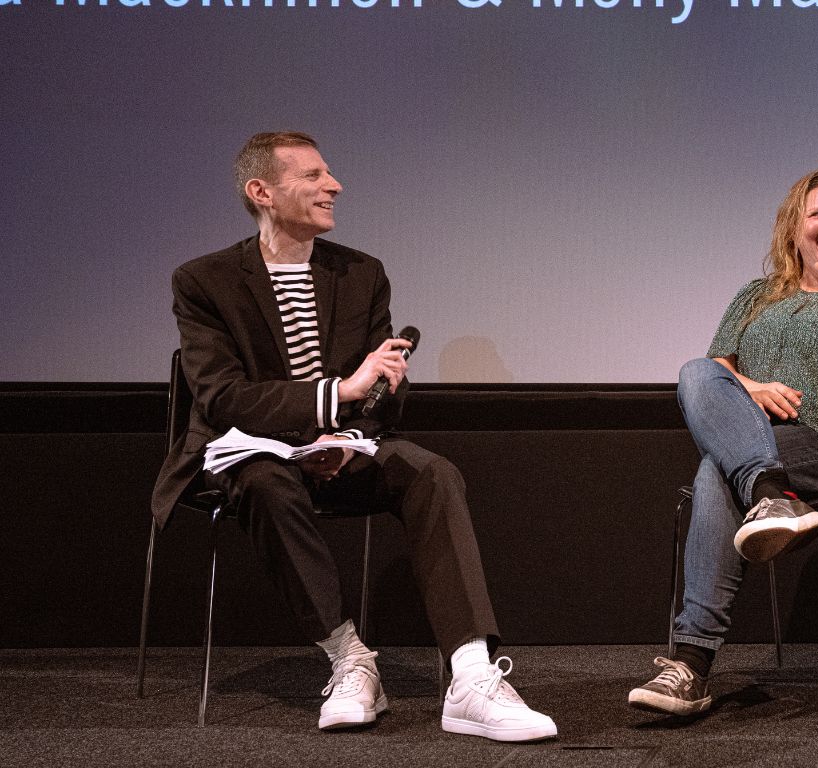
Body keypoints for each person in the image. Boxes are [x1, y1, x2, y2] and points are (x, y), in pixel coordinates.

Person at [149, 131, 557, 741]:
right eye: (312, 176)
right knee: (265, 482)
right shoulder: (205, 281)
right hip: (249, 450)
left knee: (432, 472)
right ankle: (350, 659)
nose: (333, 185)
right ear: (262, 191)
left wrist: (354, 425)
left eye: (329, 173)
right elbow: (223, 397)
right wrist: (338, 393)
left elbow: (379, 389)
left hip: (344, 446)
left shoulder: (361, 274)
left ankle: (472, 676)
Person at [628, 168, 818, 716]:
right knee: (695, 373)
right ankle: (770, 490)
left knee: (713, 471)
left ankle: (691, 665)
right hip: (768, 444)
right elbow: (716, 376)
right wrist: (753, 386)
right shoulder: (756, 297)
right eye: (817, 214)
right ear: (794, 230)